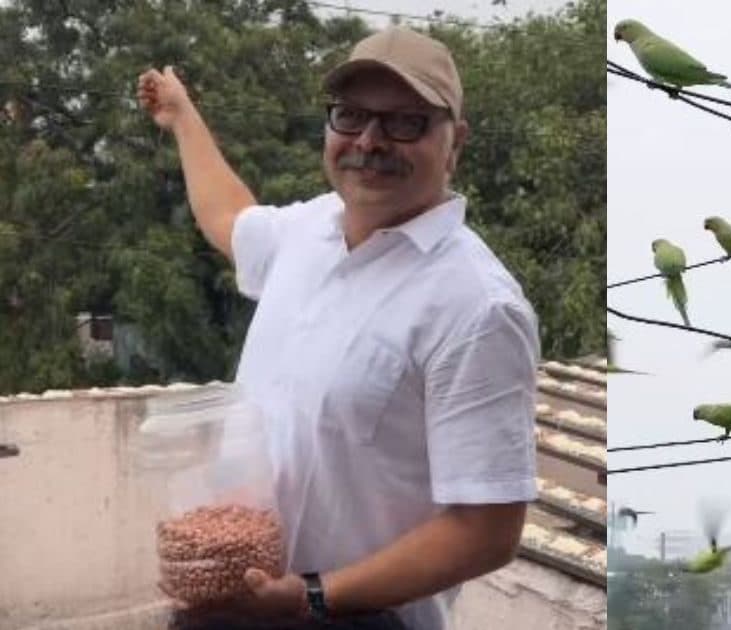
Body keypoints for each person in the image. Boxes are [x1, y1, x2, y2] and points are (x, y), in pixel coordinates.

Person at [137, 24, 541, 630]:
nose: (370, 141)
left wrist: (313, 594)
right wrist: (183, 117)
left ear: (454, 141)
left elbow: (486, 531)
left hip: (354, 618)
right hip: (232, 600)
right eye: (350, 116)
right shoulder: (313, 228)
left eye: (405, 122)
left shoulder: (476, 307)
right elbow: (230, 218)